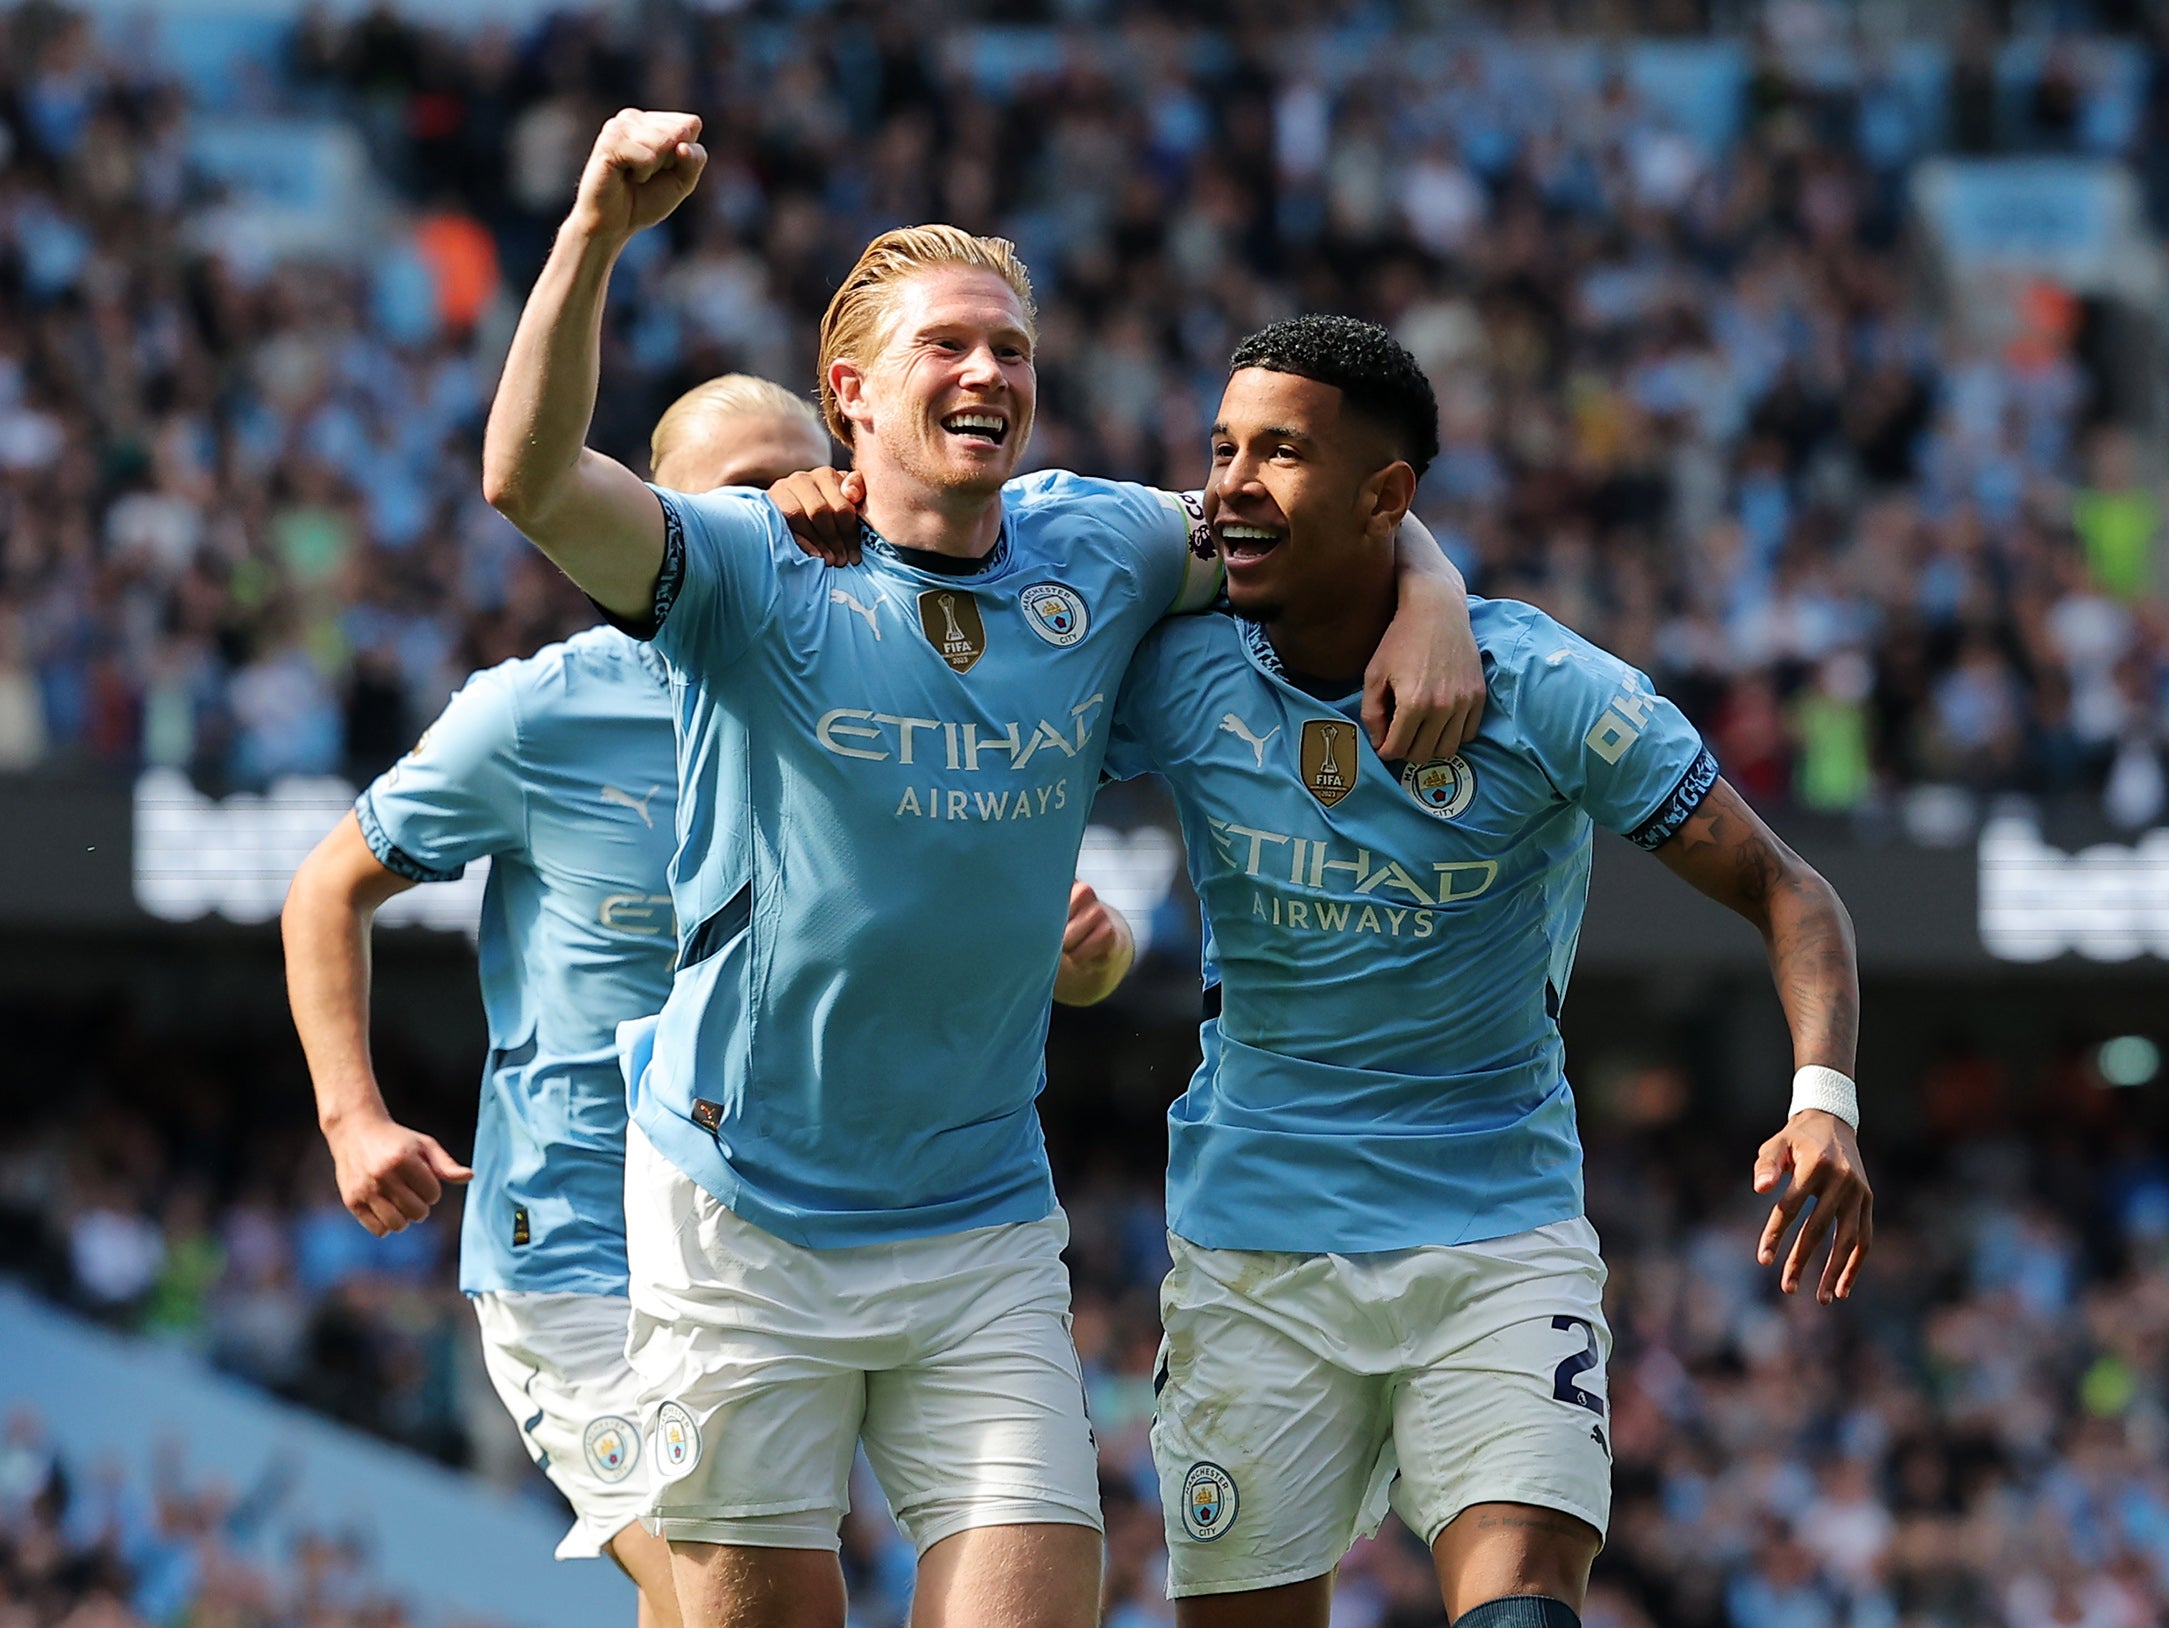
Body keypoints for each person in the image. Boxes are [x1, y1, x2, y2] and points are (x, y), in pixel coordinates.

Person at [477, 110, 1483, 1628]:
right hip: (736, 1216)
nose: (989, 375)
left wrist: (1437, 596)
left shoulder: (1103, 545)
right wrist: (596, 232)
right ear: (852, 395)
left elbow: (1320, 514)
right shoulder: (753, 572)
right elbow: (530, 484)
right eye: (947, 346)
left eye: (1012, 350)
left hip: (978, 1216)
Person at [282, 374, 1142, 1628]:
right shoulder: (541, 712)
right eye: (748, 487)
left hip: (804, 1226)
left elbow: (1050, 937)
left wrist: (1093, 958)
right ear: (654, 515)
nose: (801, 503)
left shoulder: (880, 679)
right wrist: (352, 1116)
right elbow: (327, 886)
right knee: (702, 1589)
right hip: (582, 1252)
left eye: (816, 473)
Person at [1096, 315, 1874, 1628]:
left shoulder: (1545, 687)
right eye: (1220, 447)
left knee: (1519, 1612)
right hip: (1251, 1248)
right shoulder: (1177, 666)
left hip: (1496, 1236)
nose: (1226, 481)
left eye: (1275, 453)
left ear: (1384, 496)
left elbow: (1787, 890)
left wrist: (1823, 1100)